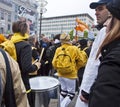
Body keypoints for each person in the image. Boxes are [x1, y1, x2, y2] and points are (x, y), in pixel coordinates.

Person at [75, 0, 112, 107]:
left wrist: (87, 89)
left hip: (93, 93)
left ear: (111, 11)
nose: (96, 12)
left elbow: (94, 64)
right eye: (96, 10)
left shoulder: (105, 31)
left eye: (100, 9)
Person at [89, 0, 120, 107]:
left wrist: (91, 90)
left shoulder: (113, 60)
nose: (106, 24)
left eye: (101, 9)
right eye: (95, 10)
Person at [11, 20, 41, 107]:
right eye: (28, 27)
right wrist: (36, 66)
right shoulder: (25, 45)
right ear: (24, 29)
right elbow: (27, 68)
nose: (29, 29)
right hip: (22, 83)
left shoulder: (11, 42)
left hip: (11, 81)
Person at [52, 33, 87, 107]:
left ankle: (56, 105)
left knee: (63, 92)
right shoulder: (74, 48)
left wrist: (59, 69)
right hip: (71, 74)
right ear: (69, 40)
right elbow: (81, 61)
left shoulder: (58, 49)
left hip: (60, 74)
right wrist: (75, 68)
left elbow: (54, 62)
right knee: (71, 94)